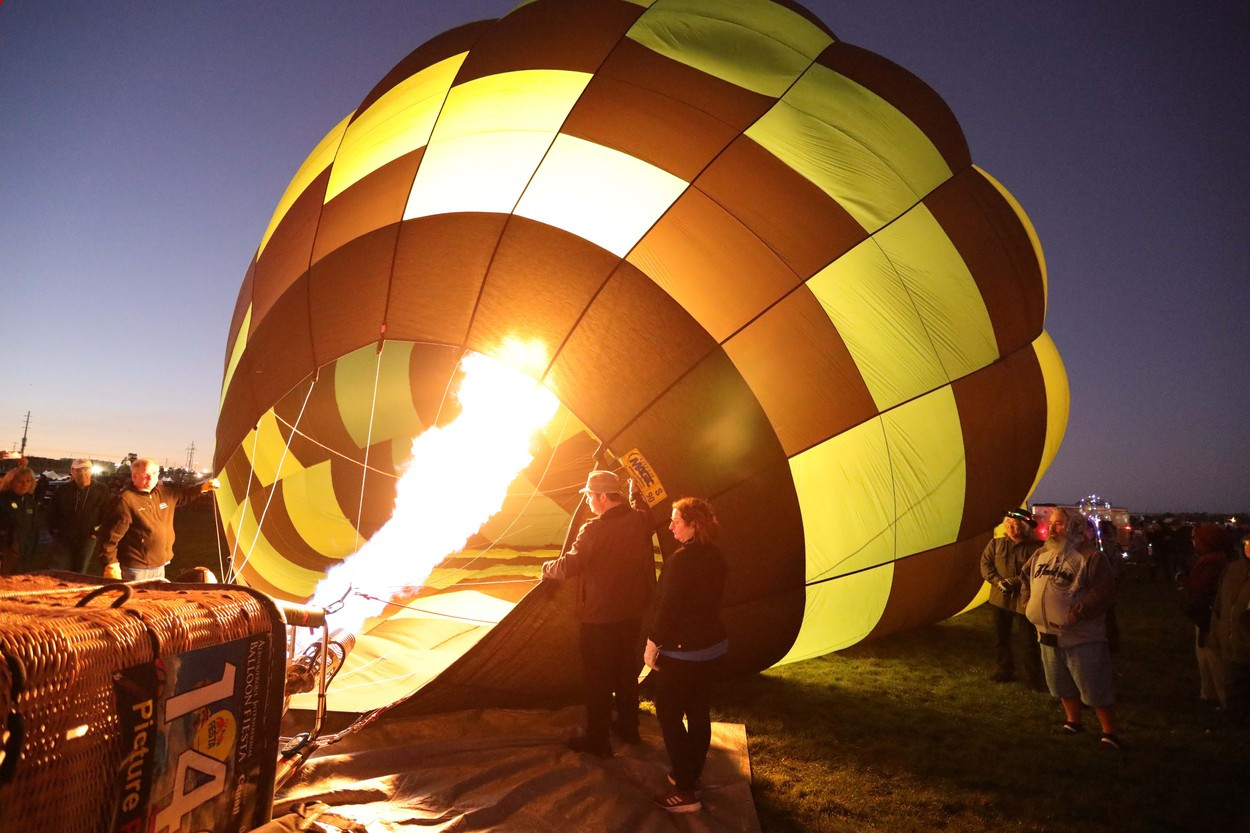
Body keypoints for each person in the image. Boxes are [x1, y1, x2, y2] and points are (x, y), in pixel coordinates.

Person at [541, 469, 655, 758]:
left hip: (599, 619)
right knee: (626, 673)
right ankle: (630, 729)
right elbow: (640, 505)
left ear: (603, 497)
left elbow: (570, 565)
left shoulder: (593, 530)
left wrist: (547, 569)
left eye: (591, 496)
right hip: (631, 614)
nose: (589, 501)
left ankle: (598, 741)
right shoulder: (639, 521)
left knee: (597, 680)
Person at [645, 497, 728, 814]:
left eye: (675, 521)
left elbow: (669, 609)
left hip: (686, 653)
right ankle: (689, 774)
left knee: (667, 713)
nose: (669, 526)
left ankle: (685, 792)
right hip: (714, 648)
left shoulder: (682, 561)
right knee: (697, 711)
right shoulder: (717, 557)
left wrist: (653, 644)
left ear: (694, 525)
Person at [1021, 507, 1122, 749]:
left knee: (1093, 685)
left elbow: (1104, 590)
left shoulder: (1090, 557)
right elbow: (1026, 579)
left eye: (1059, 524)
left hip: (1081, 636)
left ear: (1075, 527)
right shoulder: (1041, 555)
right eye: (1051, 523)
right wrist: (1027, 605)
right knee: (1060, 683)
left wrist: (1080, 611)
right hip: (1047, 634)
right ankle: (1073, 721)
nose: (1052, 529)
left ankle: (1110, 732)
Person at [98, 457, 219, 581]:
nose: (151, 478)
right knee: (137, 599)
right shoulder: (126, 501)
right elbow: (109, 537)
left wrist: (203, 487)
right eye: (146, 474)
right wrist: (111, 564)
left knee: (155, 598)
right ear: (135, 476)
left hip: (160, 565)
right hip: (136, 568)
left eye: (154, 473)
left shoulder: (163, 493)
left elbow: (183, 495)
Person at [979, 508, 1044, 688]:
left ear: (1024, 527)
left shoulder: (1036, 548)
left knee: (1028, 639)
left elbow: (1034, 572)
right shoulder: (995, 544)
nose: (1011, 528)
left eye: (1015, 525)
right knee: (1001, 636)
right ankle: (1004, 669)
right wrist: (997, 581)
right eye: (1008, 524)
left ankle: (1032, 676)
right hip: (1000, 599)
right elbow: (985, 564)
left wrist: (1014, 582)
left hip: (1024, 600)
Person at [1182, 524, 1234, 705]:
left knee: (1214, 659)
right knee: (1205, 656)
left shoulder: (1213, 563)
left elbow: (1204, 589)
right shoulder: (1207, 560)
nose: (1193, 543)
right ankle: (1209, 695)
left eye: (1196, 540)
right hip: (1204, 616)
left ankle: (1222, 698)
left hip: (1210, 617)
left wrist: (1187, 585)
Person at [1208, 533, 1250, 723]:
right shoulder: (1233, 570)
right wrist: (1216, 633)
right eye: (1247, 543)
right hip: (1229, 644)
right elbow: (1220, 605)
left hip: (1246, 644)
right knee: (1233, 688)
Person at [47, 458, 111, 573]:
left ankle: (76, 590)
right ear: (73, 471)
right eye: (79, 470)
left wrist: (97, 533)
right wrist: (54, 530)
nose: (83, 473)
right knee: (60, 569)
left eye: (86, 470)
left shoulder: (101, 490)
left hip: (87, 537)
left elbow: (107, 513)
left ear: (91, 471)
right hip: (64, 537)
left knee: (80, 569)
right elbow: (53, 511)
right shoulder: (63, 489)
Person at [0, 465, 42, 575]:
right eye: (20, 481)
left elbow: (35, 527)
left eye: (28, 481)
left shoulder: (30, 502)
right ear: (11, 482)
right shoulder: (3, 499)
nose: (24, 484)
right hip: (6, 551)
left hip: (25, 551)